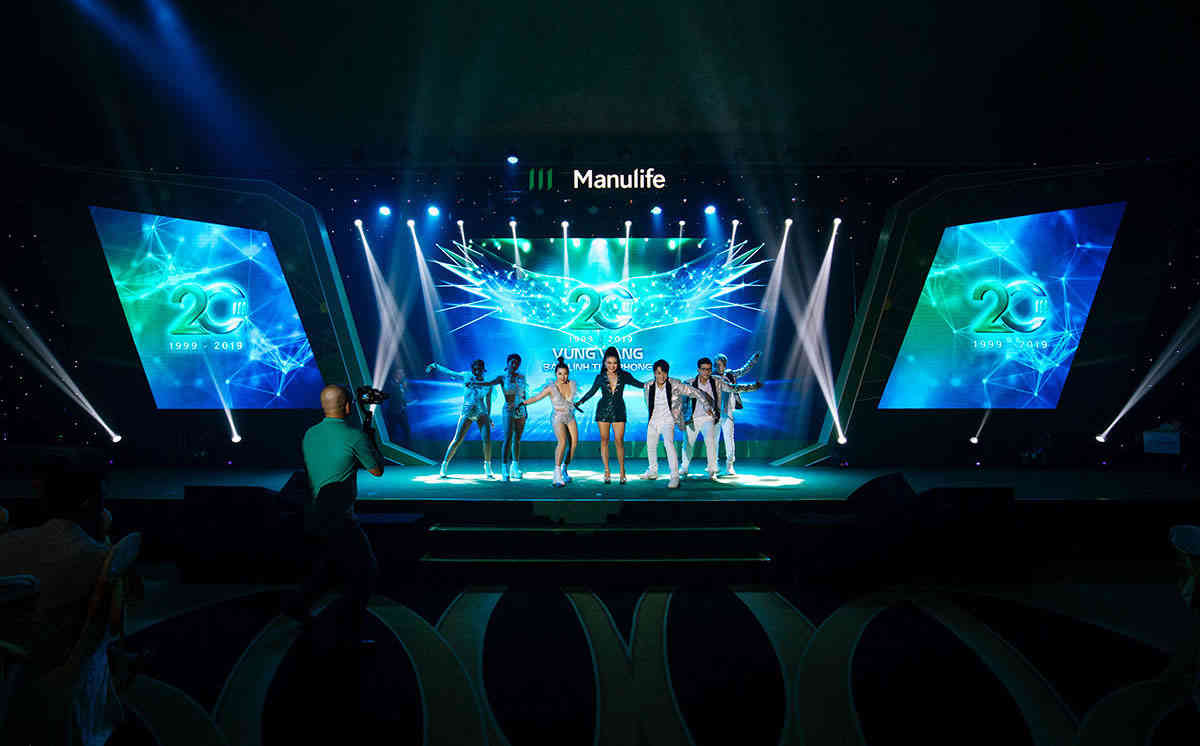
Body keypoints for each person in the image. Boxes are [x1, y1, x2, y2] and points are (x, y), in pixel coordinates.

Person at [0, 465, 122, 746]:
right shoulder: (101, 558)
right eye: (102, 499)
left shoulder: (5, 544)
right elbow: (109, 627)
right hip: (60, 681)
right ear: (89, 503)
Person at [295, 384, 385, 652]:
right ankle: (348, 632)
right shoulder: (354, 436)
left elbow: (335, 461)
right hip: (341, 520)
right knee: (366, 573)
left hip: (315, 514)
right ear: (347, 407)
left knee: (328, 567)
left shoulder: (310, 434)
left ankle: (299, 605)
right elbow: (377, 470)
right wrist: (368, 438)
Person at [681, 357, 762, 480]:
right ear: (698, 370)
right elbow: (682, 401)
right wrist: (683, 417)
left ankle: (715, 470)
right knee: (689, 444)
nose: (706, 372)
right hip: (695, 418)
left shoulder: (718, 380)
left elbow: (734, 387)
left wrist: (753, 387)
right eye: (704, 369)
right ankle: (685, 467)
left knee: (714, 443)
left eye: (708, 369)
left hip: (713, 417)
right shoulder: (690, 382)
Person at [640, 360, 716, 489]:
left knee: (669, 444)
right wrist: (653, 418)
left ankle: (675, 476)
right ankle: (653, 471)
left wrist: (706, 405)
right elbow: (648, 403)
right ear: (654, 373)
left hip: (668, 420)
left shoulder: (675, 384)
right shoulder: (648, 385)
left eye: (664, 373)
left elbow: (695, 392)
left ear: (667, 373)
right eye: (658, 373)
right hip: (653, 420)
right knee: (651, 446)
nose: (661, 376)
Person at [576, 346, 647, 484]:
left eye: (614, 363)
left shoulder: (625, 375)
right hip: (603, 410)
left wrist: (655, 383)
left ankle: (622, 471)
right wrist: (580, 402)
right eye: (609, 363)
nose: (612, 366)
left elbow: (640, 384)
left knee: (619, 441)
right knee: (604, 440)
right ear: (604, 363)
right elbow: (592, 391)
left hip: (619, 410)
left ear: (618, 363)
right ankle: (607, 471)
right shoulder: (600, 377)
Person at [426, 359, 495, 478]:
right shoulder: (466, 376)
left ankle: (488, 467)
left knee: (487, 440)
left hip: (481, 412)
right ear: (472, 369)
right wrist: (435, 365)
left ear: (483, 369)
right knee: (457, 439)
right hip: (467, 412)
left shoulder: (488, 383)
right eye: (475, 369)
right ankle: (444, 465)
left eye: (479, 369)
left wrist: (489, 417)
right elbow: (450, 372)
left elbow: (488, 401)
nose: (477, 371)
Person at [471, 353, 529, 481]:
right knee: (508, 438)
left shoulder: (521, 377)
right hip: (508, 409)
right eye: (512, 362)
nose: (514, 365)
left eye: (517, 363)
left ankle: (515, 467)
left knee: (517, 439)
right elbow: (489, 383)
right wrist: (474, 382)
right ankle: (504, 469)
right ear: (508, 363)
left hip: (521, 409)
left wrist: (526, 408)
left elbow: (524, 394)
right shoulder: (502, 377)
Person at [522, 357, 579, 487]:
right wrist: (523, 403)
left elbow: (573, 400)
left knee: (574, 443)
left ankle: (564, 468)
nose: (563, 376)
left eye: (565, 374)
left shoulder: (572, 384)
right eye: (560, 374)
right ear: (555, 374)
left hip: (570, 416)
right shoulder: (551, 387)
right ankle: (556, 475)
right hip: (557, 417)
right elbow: (537, 397)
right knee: (562, 442)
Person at [713, 351, 761, 475]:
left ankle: (730, 465)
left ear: (724, 364)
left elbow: (744, 370)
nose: (717, 366)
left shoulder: (730, 374)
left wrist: (753, 359)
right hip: (713, 413)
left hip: (727, 412)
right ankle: (714, 464)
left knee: (729, 439)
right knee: (713, 440)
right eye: (715, 364)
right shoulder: (711, 376)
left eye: (719, 364)